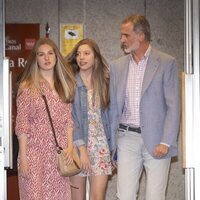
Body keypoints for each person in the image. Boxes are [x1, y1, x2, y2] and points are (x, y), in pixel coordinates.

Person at [109, 14, 181, 200]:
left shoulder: (166, 62)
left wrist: (166, 141)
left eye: (126, 35)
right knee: (124, 196)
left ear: (141, 36)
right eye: (121, 35)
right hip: (126, 139)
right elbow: (114, 109)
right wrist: (111, 144)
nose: (122, 39)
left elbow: (173, 105)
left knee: (155, 196)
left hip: (157, 141)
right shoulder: (117, 66)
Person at [15, 37, 76, 200]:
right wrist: (24, 157)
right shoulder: (27, 87)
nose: (47, 58)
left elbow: (68, 121)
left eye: (50, 53)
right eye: (41, 55)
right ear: (36, 59)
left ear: (56, 56)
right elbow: (22, 124)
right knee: (34, 196)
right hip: (34, 153)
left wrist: (70, 147)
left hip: (58, 155)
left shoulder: (64, 86)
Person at [66, 38, 112, 200]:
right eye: (78, 54)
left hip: (101, 147)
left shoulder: (105, 82)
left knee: (97, 197)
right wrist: (83, 150)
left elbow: (110, 118)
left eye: (86, 53)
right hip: (78, 147)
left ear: (96, 57)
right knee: (77, 198)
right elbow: (71, 119)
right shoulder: (70, 83)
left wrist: (114, 148)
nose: (81, 58)